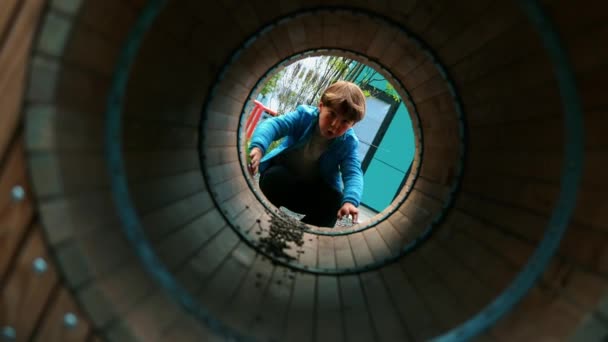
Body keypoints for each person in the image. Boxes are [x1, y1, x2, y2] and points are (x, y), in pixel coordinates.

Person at [248, 81, 366, 227]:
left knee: (335, 200)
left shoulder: (348, 142)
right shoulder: (304, 116)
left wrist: (350, 201)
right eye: (332, 114)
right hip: (283, 183)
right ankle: (261, 218)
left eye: (345, 122)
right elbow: (274, 125)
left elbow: (353, 172)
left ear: (352, 125)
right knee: (274, 176)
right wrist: (258, 148)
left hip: (312, 195)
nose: (335, 124)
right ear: (321, 106)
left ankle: (303, 235)